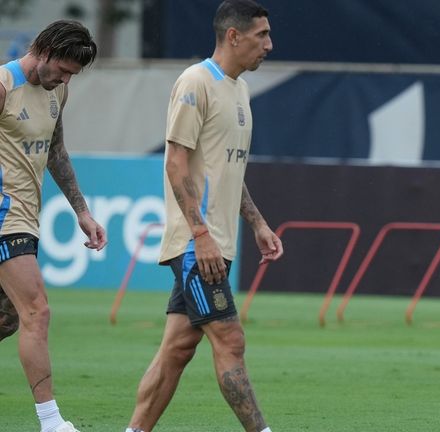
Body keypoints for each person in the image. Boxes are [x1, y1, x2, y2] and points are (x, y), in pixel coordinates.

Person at [124, 1, 283, 431]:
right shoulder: (195, 82)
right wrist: (199, 233)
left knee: (177, 349)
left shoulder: (240, 90)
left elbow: (227, 168)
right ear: (233, 36)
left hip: (217, 241)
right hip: (198, 244)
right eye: (261, 35)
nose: (269, 44)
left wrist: (257, 222)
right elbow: (176, 163)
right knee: (230, 339)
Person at [0, 20, 107, 432]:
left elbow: (56, 151)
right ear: (43, 50)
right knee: (36, 311)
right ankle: (52, 423)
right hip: (5, 218)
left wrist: (81, 210)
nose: (64, 79)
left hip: (27, 216)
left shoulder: (57, 91)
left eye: (71, 75)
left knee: (8, 318)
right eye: (62, 69)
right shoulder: (4, 85)